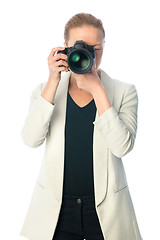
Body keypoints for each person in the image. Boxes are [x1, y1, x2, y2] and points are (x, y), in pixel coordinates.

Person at [20, 13, 143, 240]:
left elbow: (122, 147)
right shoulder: (45, 91)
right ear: (65, 47)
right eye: (79, 47)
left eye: (95, 48)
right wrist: (53, 81)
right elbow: (30, 139)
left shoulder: (124, 91)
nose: (88, 54)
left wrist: (97, 89)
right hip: (57, 211)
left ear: (104, 47)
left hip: (106, 211)